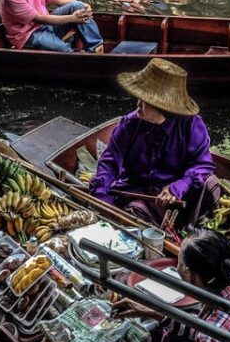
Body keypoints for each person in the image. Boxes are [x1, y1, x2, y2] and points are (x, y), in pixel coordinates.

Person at [89, 58, 221, 228]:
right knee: (136, 211)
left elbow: (203, 164)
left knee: (211, 184)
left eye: (145, 101)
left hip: (177, 195)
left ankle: (187, 224)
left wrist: (180, 185)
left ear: (162, 108)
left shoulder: (191, 125)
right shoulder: (129, 124)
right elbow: (110, 162)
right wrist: (101, 195)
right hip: (138, 192)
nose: (138, 104)